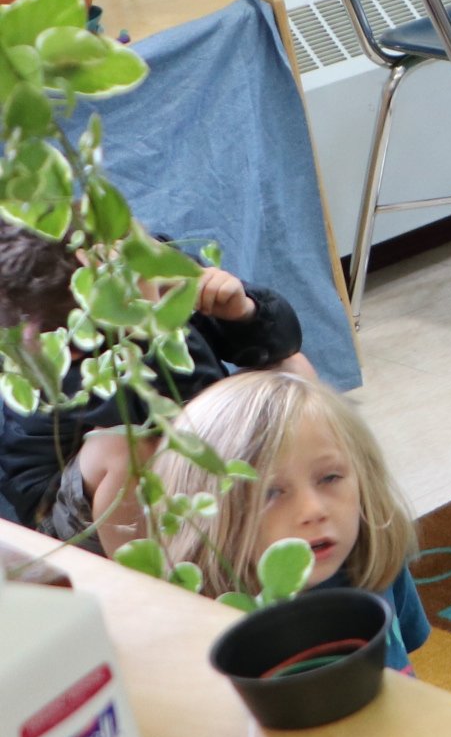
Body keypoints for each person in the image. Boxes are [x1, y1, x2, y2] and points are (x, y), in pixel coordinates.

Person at [0, 225, 308, 544]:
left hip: (196, 456)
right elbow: (183, 412)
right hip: (76, 511)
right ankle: (156, 573)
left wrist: (243, 311)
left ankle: (293, 519)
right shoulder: (50, 351)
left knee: (289, 371)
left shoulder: (146, 266)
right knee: (127, 450)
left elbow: (284, 341)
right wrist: (151, 321)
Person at [148, 369, 431, 668]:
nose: (313, 510)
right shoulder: (210, 628)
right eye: (270, 493)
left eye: (330, 477)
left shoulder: (374, 559)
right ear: (211, 518)